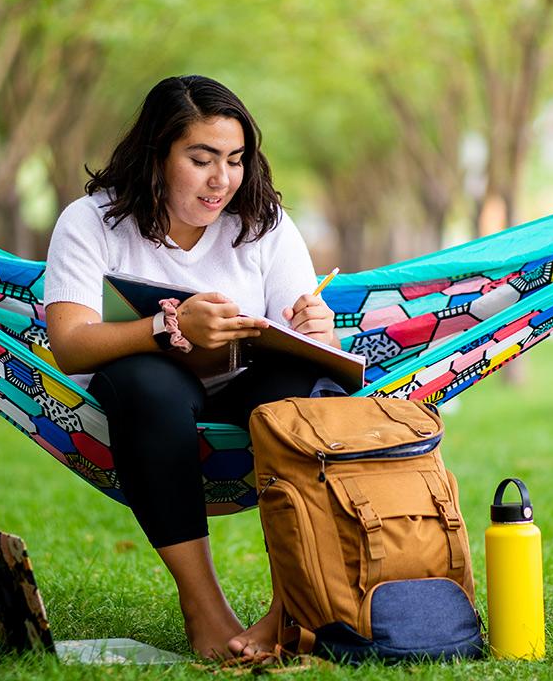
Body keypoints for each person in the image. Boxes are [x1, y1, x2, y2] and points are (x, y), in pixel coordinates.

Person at [43, 75, 337, 659]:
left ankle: (289, 609)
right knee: (150, 382)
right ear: (157, 155)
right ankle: (205, 610)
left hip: (242, 389)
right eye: (201, 159)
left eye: (235, 160)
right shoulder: (91, 221)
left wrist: (314, 328)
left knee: (305, 389)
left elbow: (298, 323)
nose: (221, 179)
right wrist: (166, 328)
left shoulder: (263, 221)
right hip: (141, 403)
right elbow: (70, 344)